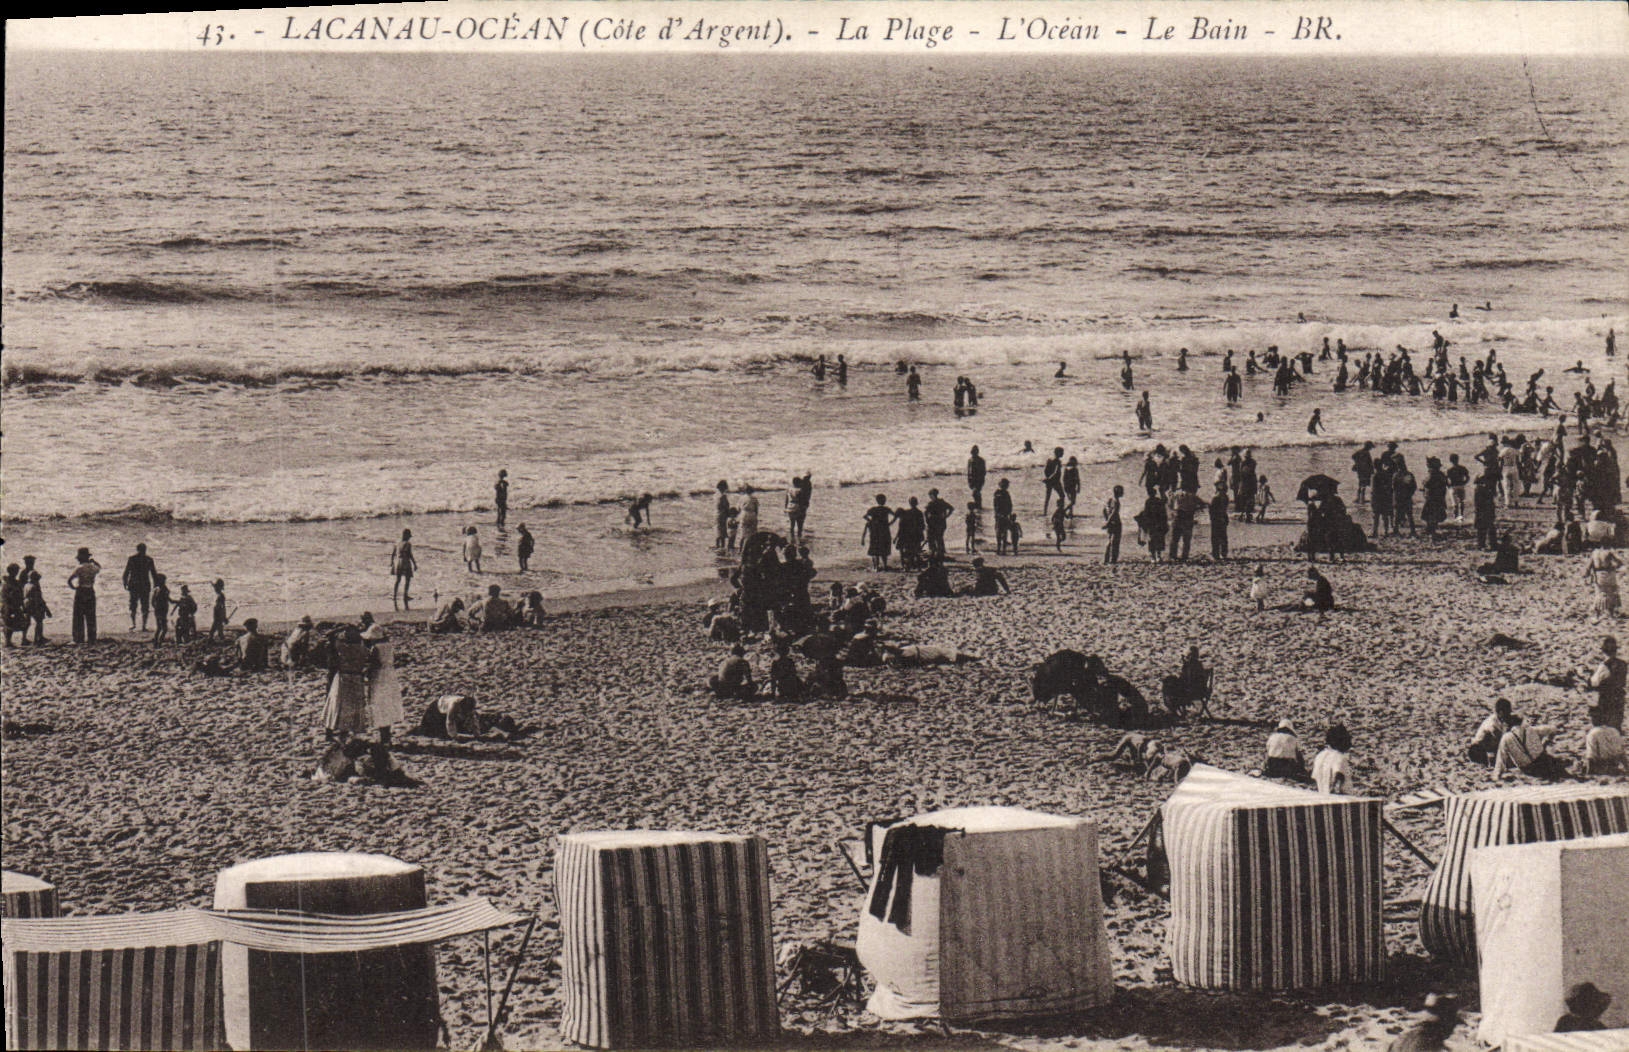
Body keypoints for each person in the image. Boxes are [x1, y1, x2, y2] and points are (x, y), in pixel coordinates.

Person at [321, 624, 378, 741]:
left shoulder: (341, 647)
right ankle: (344, 734)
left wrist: (340, 628)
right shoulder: (362, 650)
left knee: (336, 705)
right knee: (352, 707)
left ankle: (329, 733)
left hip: (343, 677)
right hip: (357, 678)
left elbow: (328, 636)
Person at [360, 620, 404, 744]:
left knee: (379, 704)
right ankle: (387, 735)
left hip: (379, 677)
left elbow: (375, 664)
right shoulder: (388, 646)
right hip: (390, 675)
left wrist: (365, 672)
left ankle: (384, 737)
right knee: (388, 704)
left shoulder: (375, 648)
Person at [1493, 714, 1565, 780]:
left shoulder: (1505, 738)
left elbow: (1501, 759)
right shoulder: (1530, 729)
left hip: (1527, 769)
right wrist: (1548, 739)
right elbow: (1550, 729)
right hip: (1543, 761)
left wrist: (1497, 775)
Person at [1389, 993, 1460, 1052]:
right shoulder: (1428, 1043)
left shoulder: (1405, 1037)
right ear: (1444, 1023)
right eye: (1452, 1024)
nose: (1452, 1030)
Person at [1586, 635, 1626, 731]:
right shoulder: (1623, 664)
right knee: (1615, 730)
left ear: (1603, 650)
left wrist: (1588, 679)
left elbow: (1595, 682)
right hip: (1618, 700)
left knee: (1602, 730)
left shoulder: (1604, 666)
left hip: (1604, 702)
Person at [66, 547, 101, 644]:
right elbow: (99, 567)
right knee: (91, 616)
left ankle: (78, 638)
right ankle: (92, 638)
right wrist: (94, 562)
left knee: (78, 616)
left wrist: (74, 588)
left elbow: (69, 580)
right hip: (90, 590)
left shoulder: (79, 568)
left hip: (81, 590)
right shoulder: (93, 568)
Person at [1468, 699, 1515, 765]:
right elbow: (1501, 740)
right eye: (1508, 713)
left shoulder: (1499, 719)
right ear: (1501, 712)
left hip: (1488, 749)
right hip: (1478, 752)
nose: (1509, 715)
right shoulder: (1492, 723)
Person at [122, 543, 156, 632]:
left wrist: (125, 582)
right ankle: (143, 626)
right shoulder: (149, 560)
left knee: (133, 605)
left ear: (137, 549)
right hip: (144, 585)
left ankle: (134, 625)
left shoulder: (132, 559)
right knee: (144, 606)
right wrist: (156, 585)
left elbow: (126, 573)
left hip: (134, 585)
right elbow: (154, 574)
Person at [1312, 724, 1353, 794]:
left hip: (1321, 796)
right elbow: (1337, 776)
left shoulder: (1319, 756)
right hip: (1335, 799)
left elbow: (1314, 780)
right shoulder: (1340, 758)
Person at [1586, 546, 1623, 618]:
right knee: (1611, 593)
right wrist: (1614, 567)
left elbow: (1588, 566)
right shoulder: (1609, 551)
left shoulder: (1594, 552)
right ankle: (1611, 614)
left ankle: (1597, 614)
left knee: (1599, 594)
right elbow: (1620, 561)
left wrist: (1587, 575)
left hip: (1598, 575)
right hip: (1608, 574)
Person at [861, 494, 894, 571]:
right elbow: (895, 515)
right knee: (884, 549)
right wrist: (890, 523)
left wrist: (871, 522)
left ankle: (876, 566)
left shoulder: (873, 509)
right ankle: (885, 566)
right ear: (884, 501)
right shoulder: (886, 509)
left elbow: (865, 516)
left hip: (875, 530)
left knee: (875, 549)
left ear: (877, 501)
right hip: (884, 530)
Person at [23, 570, 52, 645]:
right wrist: (46, 609)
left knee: (27, 622)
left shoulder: (26, 585)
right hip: (34, 604)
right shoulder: (35, 586)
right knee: (39, 621)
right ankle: (37, 639)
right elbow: (39, 598)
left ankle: (23, 639)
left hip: (26, 603)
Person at [389, 529, 417, 607]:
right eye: (409, 536)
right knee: (407, 579)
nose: (409, 538)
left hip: (397, 562)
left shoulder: (397, 543)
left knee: (398, 580)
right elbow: (410, 554)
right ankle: (405, 595)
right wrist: (414, 564)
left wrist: (391, 562)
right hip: (405, 561)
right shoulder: (408, 544)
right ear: (406, 536)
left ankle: (394, 595)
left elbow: (393, 554)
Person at [2, 564, 24, 648]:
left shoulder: (13, 582)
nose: (17, 572)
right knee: (9, 624)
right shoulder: (8, 583)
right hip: (9, 605)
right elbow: (5, 596)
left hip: (14, 605)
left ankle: (8, 641)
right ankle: (8, 642)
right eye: (16, 570)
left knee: (12, 623)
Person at [1103, 485, 1124, 565]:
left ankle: (1106, 558)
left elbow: (1104, 510)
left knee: (1109, 540)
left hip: (1110, 523)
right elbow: (1114, 513)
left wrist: (1106, 520)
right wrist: (1108, 521)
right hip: (1116, 523)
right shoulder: (1116, 502)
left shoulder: (1110, 500)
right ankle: (1113, 559)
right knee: (1115, 541)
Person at [1446, 453, 1470, 523]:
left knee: (1455, 504)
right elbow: (1467, 477)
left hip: (1453, 486)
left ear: (1450, 461)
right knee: (1461, 502)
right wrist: (1464, 482)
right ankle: (1461, 516)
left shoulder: (1450, 470)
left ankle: (1456, 517)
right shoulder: (1462, 468)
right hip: (1461, 486)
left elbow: (1446, 480)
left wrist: (1448, 486)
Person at [1042, 446, 1065, 514]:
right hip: (1055, 481)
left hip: (1049, 481)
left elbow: (1045, 471)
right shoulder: (1057, 461)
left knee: (1048, 497)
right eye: (1062, 452)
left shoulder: (1050, 460)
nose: (1063, 454)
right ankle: (1061, 510)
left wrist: (1047, 478)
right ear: (1058, 453)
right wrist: (1050, 478)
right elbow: (1055, 471)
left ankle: (1045, 512)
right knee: (1062, 496)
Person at [714, 480, 732, 550]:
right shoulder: (723, 496)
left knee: (718, 530)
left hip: (717, 513)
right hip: (722, 514)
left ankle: (717, 545)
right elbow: (725, 506)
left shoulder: (716, 495)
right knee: (723, 531)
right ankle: (722, 546)